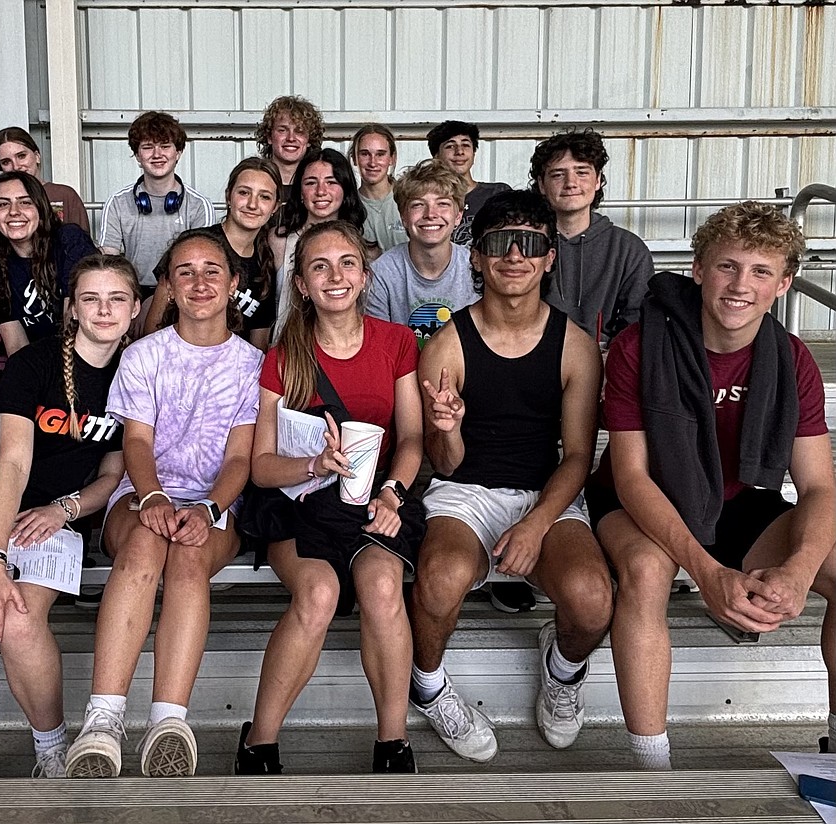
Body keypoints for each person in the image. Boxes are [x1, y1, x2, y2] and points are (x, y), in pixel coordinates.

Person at [590, 201, 835, 770]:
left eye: (760, 271)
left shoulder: (792, 358)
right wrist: (708, 575)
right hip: (645, 497)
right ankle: (654, 767)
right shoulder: (640, 347)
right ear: (698, 269)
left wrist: (798, 573)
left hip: (740, 498)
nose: (740, 285)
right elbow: (629, 475)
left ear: (784, 283)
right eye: (727, 266)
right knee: (649, 572)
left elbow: (820, 487)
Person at [409, 190, 613, 761]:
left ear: (550, 256)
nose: (514, 255)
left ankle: (564, 670)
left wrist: (536, 525)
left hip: (544, 491)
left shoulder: (576, 346)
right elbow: (445, 464)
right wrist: (446, 427)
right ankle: (426, 686)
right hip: (466, 489)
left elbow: (577, 456)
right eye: (499, 243)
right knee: (441, 578)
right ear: (476, 257)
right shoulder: (447, 343)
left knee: (593, 599)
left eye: (530, 243)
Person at [64, 228, 262, 779]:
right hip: (140, 491)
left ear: (233, 283)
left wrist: (208, 509)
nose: (199, 282)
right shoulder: (145, 355)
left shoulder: (251, 364)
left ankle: (167, 722)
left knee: (190, 557)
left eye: (212, 271)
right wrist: (151, 494)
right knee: (147, 545)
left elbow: (240, 460)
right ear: (169, 288)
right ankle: (103, 721)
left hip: (213, 502)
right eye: (185, 272)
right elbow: (136, 442)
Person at [0, 254, 138, 779]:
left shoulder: (137, 371)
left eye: (117, 298)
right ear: (71, 308)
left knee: (21, 623)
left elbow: (112, 476)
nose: (104, 310)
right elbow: (12, 461)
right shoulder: (35, 363)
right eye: (91, 298)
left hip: (59, 516)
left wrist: (62, 508)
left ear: (136, 307)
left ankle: (51, 752)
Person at [236, 220, 425, 775]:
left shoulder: (397, 342)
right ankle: (260, 740)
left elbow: (412, 439)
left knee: (384, 586)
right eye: (319, 266)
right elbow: (262, 467)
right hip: (300, 503)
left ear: (365, 275)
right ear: (301, 285)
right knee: (318, 593)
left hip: (375, 498)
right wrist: (313, 464)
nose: (334, 276)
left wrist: (392, 494)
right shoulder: (283, 356)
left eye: (346, 263)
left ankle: (392, 742)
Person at [529, 127, 653, 348]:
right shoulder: (524, 244)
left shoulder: (628, 249)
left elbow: (637, 323)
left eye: (582, 172)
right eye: (558, 174)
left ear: (598, 181)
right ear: (541, 185)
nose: (571, 183)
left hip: (607, 364)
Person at [142, 157, 281, 350]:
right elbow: (153, 328)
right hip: (174, 360)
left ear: (274, 207)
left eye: (264, 196)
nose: (252, 204)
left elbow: (259, 344)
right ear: (228, 196)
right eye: (244, 192)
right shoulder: (196, 243)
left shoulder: (265, 261)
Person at [0, 171, 97, 358]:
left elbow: (75, 325)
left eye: (25, 202)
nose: (14, 211)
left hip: (84, 358)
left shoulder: (69, 240)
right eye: (3, 204)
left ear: (41, 208)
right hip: (37, 366)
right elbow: (16, 346)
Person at [98, 111, 216, 296]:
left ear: (178, 153)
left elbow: (203, 260)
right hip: (133, 292)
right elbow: (108, 261)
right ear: (137, 155)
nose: (157, 154)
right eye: (147, 147)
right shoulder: (117, 203)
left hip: (182, 293)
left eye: (165, 146)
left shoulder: (199, 205)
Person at [366, 158, 478, 348]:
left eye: (442, 204)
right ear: (403, 217)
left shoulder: (475, 268)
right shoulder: (381, 273)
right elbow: (380, 349)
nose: (430, 214)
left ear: (458, 216)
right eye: (418, 205)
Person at [270, 149, 370, 341]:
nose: (321, 191)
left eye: (331, 182)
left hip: (347, 351)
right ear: (300, 191)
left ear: (346, 189)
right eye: (310, 183)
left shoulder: (365, 248)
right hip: (289, 349)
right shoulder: (278, 241)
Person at [425, 121, 512, 247]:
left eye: (466, 145)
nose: (459, 151)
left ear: (474, 154)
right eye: (450, 146)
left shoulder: (498, 193)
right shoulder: (428, 200)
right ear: (436, 156)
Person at [0, 126, 91, 233]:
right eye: (6, 162)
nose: (16, 166)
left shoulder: (64, 194)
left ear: (37, 156)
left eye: (21, 156)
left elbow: (82, 243)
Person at [350, 124, 408, 252]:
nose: (372, 162)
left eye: (380, 154)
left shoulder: (409, 198)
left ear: (391, 159)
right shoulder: (348, 206)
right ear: (354, 159)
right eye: (365, 154)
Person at [255, 95, 325, 194]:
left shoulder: (320, 188)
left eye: (299, 131)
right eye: (282, 130)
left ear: (309, 139)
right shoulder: (253, 181)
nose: (291, 138)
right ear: (269, 137)